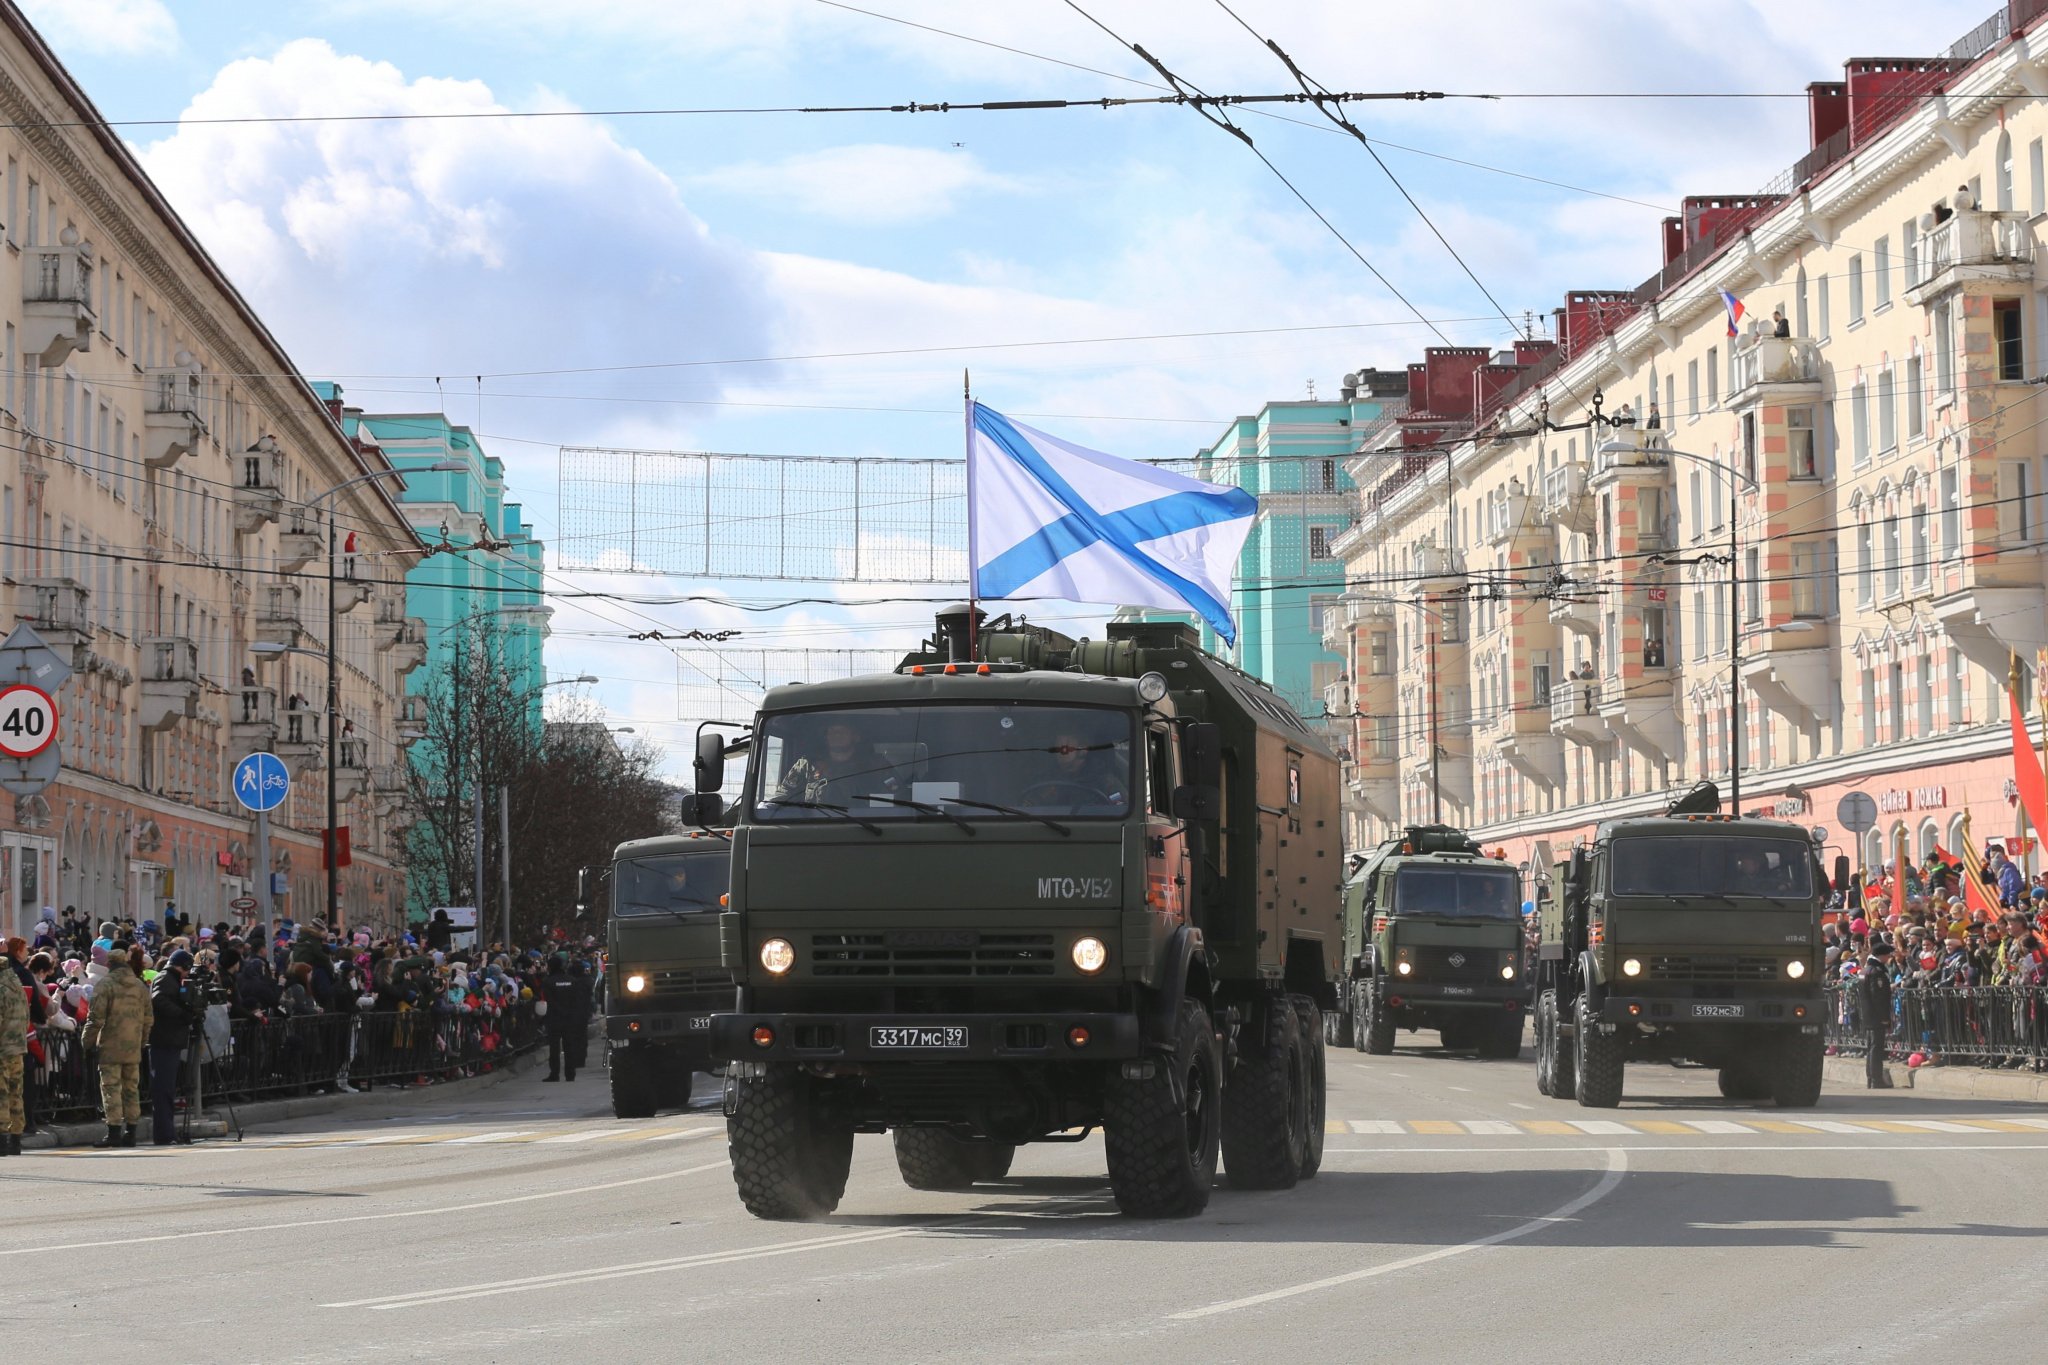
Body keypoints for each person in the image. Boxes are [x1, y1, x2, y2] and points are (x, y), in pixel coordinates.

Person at [81, 945, 148, 1148]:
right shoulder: (139, 986)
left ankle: (113, 1132)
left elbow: (95, 1019)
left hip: (110, 1046)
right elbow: (148, 1019)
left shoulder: (105, 985)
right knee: (131, 1089)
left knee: (111, 1089)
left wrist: (87, 1042)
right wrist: (142, 1041)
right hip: (133, 1045)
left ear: (109, 964)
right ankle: (132, 1132)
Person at [771, 719, 897, 808]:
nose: (836, 735)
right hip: (813, 831)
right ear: (826, 737)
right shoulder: (807, 766)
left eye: (842, 731)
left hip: (866, 829)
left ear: (855, 736)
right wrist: (769, 809)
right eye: (832, 731)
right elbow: (783, 796)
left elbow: (896, 798)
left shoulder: (877, 766)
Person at [148, 949, 197, 1146]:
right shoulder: (166, 978)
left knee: (167, 1090)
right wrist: (181, 1014)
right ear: (182, 966)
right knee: (163, 1090)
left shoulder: (171, 978)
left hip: (170, 1040)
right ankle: (164, 1134)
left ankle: (167, 1132)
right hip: (164, 1041)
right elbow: (158, 999)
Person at [541, 954, 591, 1082]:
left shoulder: (548, 982)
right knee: (569, 1047)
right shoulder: (572, 980)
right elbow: (577, 1000)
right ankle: (570, 1074)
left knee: (554, 1048)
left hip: (554, 1019)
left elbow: (548, 1001)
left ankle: (555, 1073)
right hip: (570, 1018)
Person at [1858, 938, 1894, 1089]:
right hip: (1876, 1015)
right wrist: (1884, 1018)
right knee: (1876, 1047)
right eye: (1887, 955)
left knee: (1871, 1046)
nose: (1888, 958)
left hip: (1867, 1014)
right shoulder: (1876, 972)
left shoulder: (1865, 970)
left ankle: (1871, 1078)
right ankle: (1876, 1079)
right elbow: (1878, 997)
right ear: (1882, 956)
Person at [0, 947, 25, 1156]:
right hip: (17, 1046)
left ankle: (1, 1140)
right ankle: (16, 1139)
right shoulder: (15, 983)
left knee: (2, 1094)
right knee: (16, 1093)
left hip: (2, 1047)